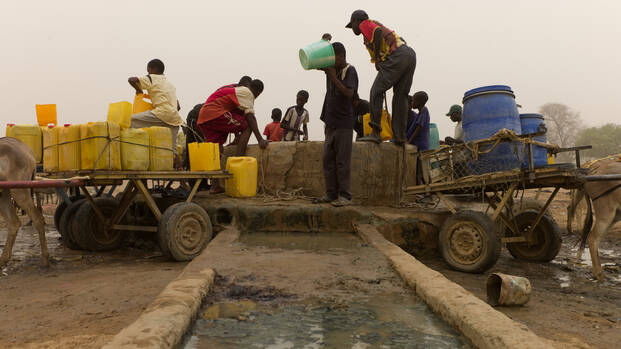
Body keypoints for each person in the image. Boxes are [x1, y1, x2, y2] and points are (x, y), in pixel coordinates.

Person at [346, 10, 417, 145]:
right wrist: (380, 60)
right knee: (400, 96)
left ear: (356, 21)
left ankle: (376, 133)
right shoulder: (369, 31)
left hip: (397, 55)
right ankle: (400, 137)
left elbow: (377, 32)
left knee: (376, 92)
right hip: (409, 54)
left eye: (352, 24)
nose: (353, 28)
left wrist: (378, 57)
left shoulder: (365, 24)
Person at [314, 41, 359, 207]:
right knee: (328, 160)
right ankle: (331, 194)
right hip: (331, 123)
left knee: (342, 161)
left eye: (333, 58)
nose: (330, 62)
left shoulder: (349, 70)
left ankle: (345, 196)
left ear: (341, 57)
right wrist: (323, 43)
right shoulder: (331, 69)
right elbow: (315, 61)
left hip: (344, 123)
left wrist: (332, 76)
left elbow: (349, 93)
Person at [128, 58, 184, 168]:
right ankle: (181, 173)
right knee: (173, 149)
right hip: (175, 119)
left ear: (152, 69)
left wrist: (139, 90)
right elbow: (178, 106)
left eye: (148, 70)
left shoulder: (151, 78)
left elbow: (131, 79)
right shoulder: (169, 84)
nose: (147, 72)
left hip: (161, 113)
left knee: (128, 121)